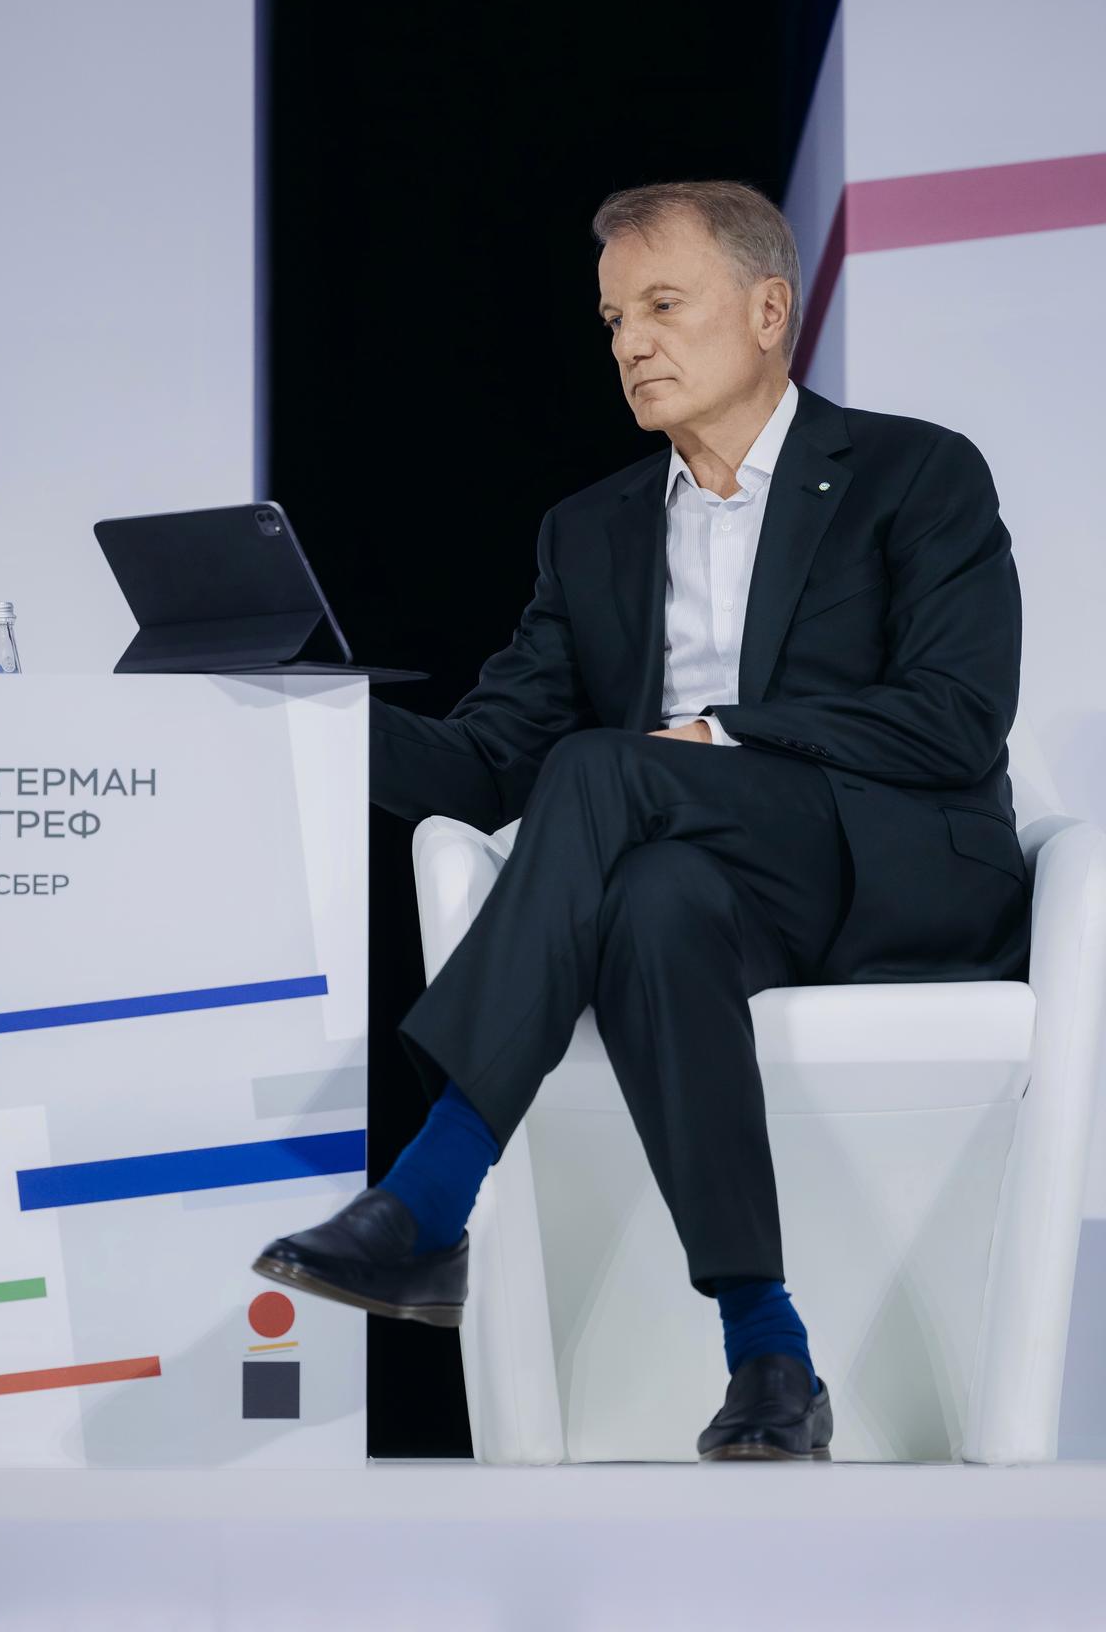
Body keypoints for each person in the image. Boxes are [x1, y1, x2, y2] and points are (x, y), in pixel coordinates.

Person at [253, 179, 1031, 1462]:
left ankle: (433, 1190)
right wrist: (297, 709)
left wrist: (722, 734)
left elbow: (955, 719)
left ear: (769, 311)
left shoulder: (915, 472)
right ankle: (769, 1353)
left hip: (897, 871)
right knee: (656, 901)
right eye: (615, 318)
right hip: (715, 887)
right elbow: (486, 765)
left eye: (664, 305)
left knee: (608, 775)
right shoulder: (591, 532)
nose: (631, 344)